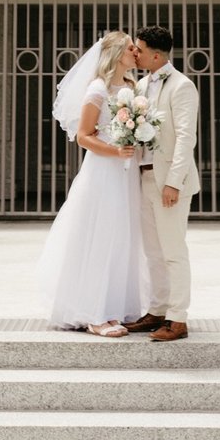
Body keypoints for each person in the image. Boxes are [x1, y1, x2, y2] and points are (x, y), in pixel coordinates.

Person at [36, 30, 146, 337]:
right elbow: (84, 136)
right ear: (114, 53)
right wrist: (115, 150)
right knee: (101, 235)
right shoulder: (97, 88)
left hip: (126, 172)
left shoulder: (130, 86)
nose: (135, 54)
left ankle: (113, 308)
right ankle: (94, 314)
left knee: (122, 237)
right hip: (102, 171)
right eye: (130, 49)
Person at [127, 26, 200, 342]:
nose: (135, 53)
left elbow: (186, 137)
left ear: (155, 55)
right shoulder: (141, 84)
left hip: (169, 183)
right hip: (143, 177)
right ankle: (156, 311)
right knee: (152, 252)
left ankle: (178, 319)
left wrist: (173, 183)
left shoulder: (182, 86)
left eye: (139, 49)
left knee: (173, 251)